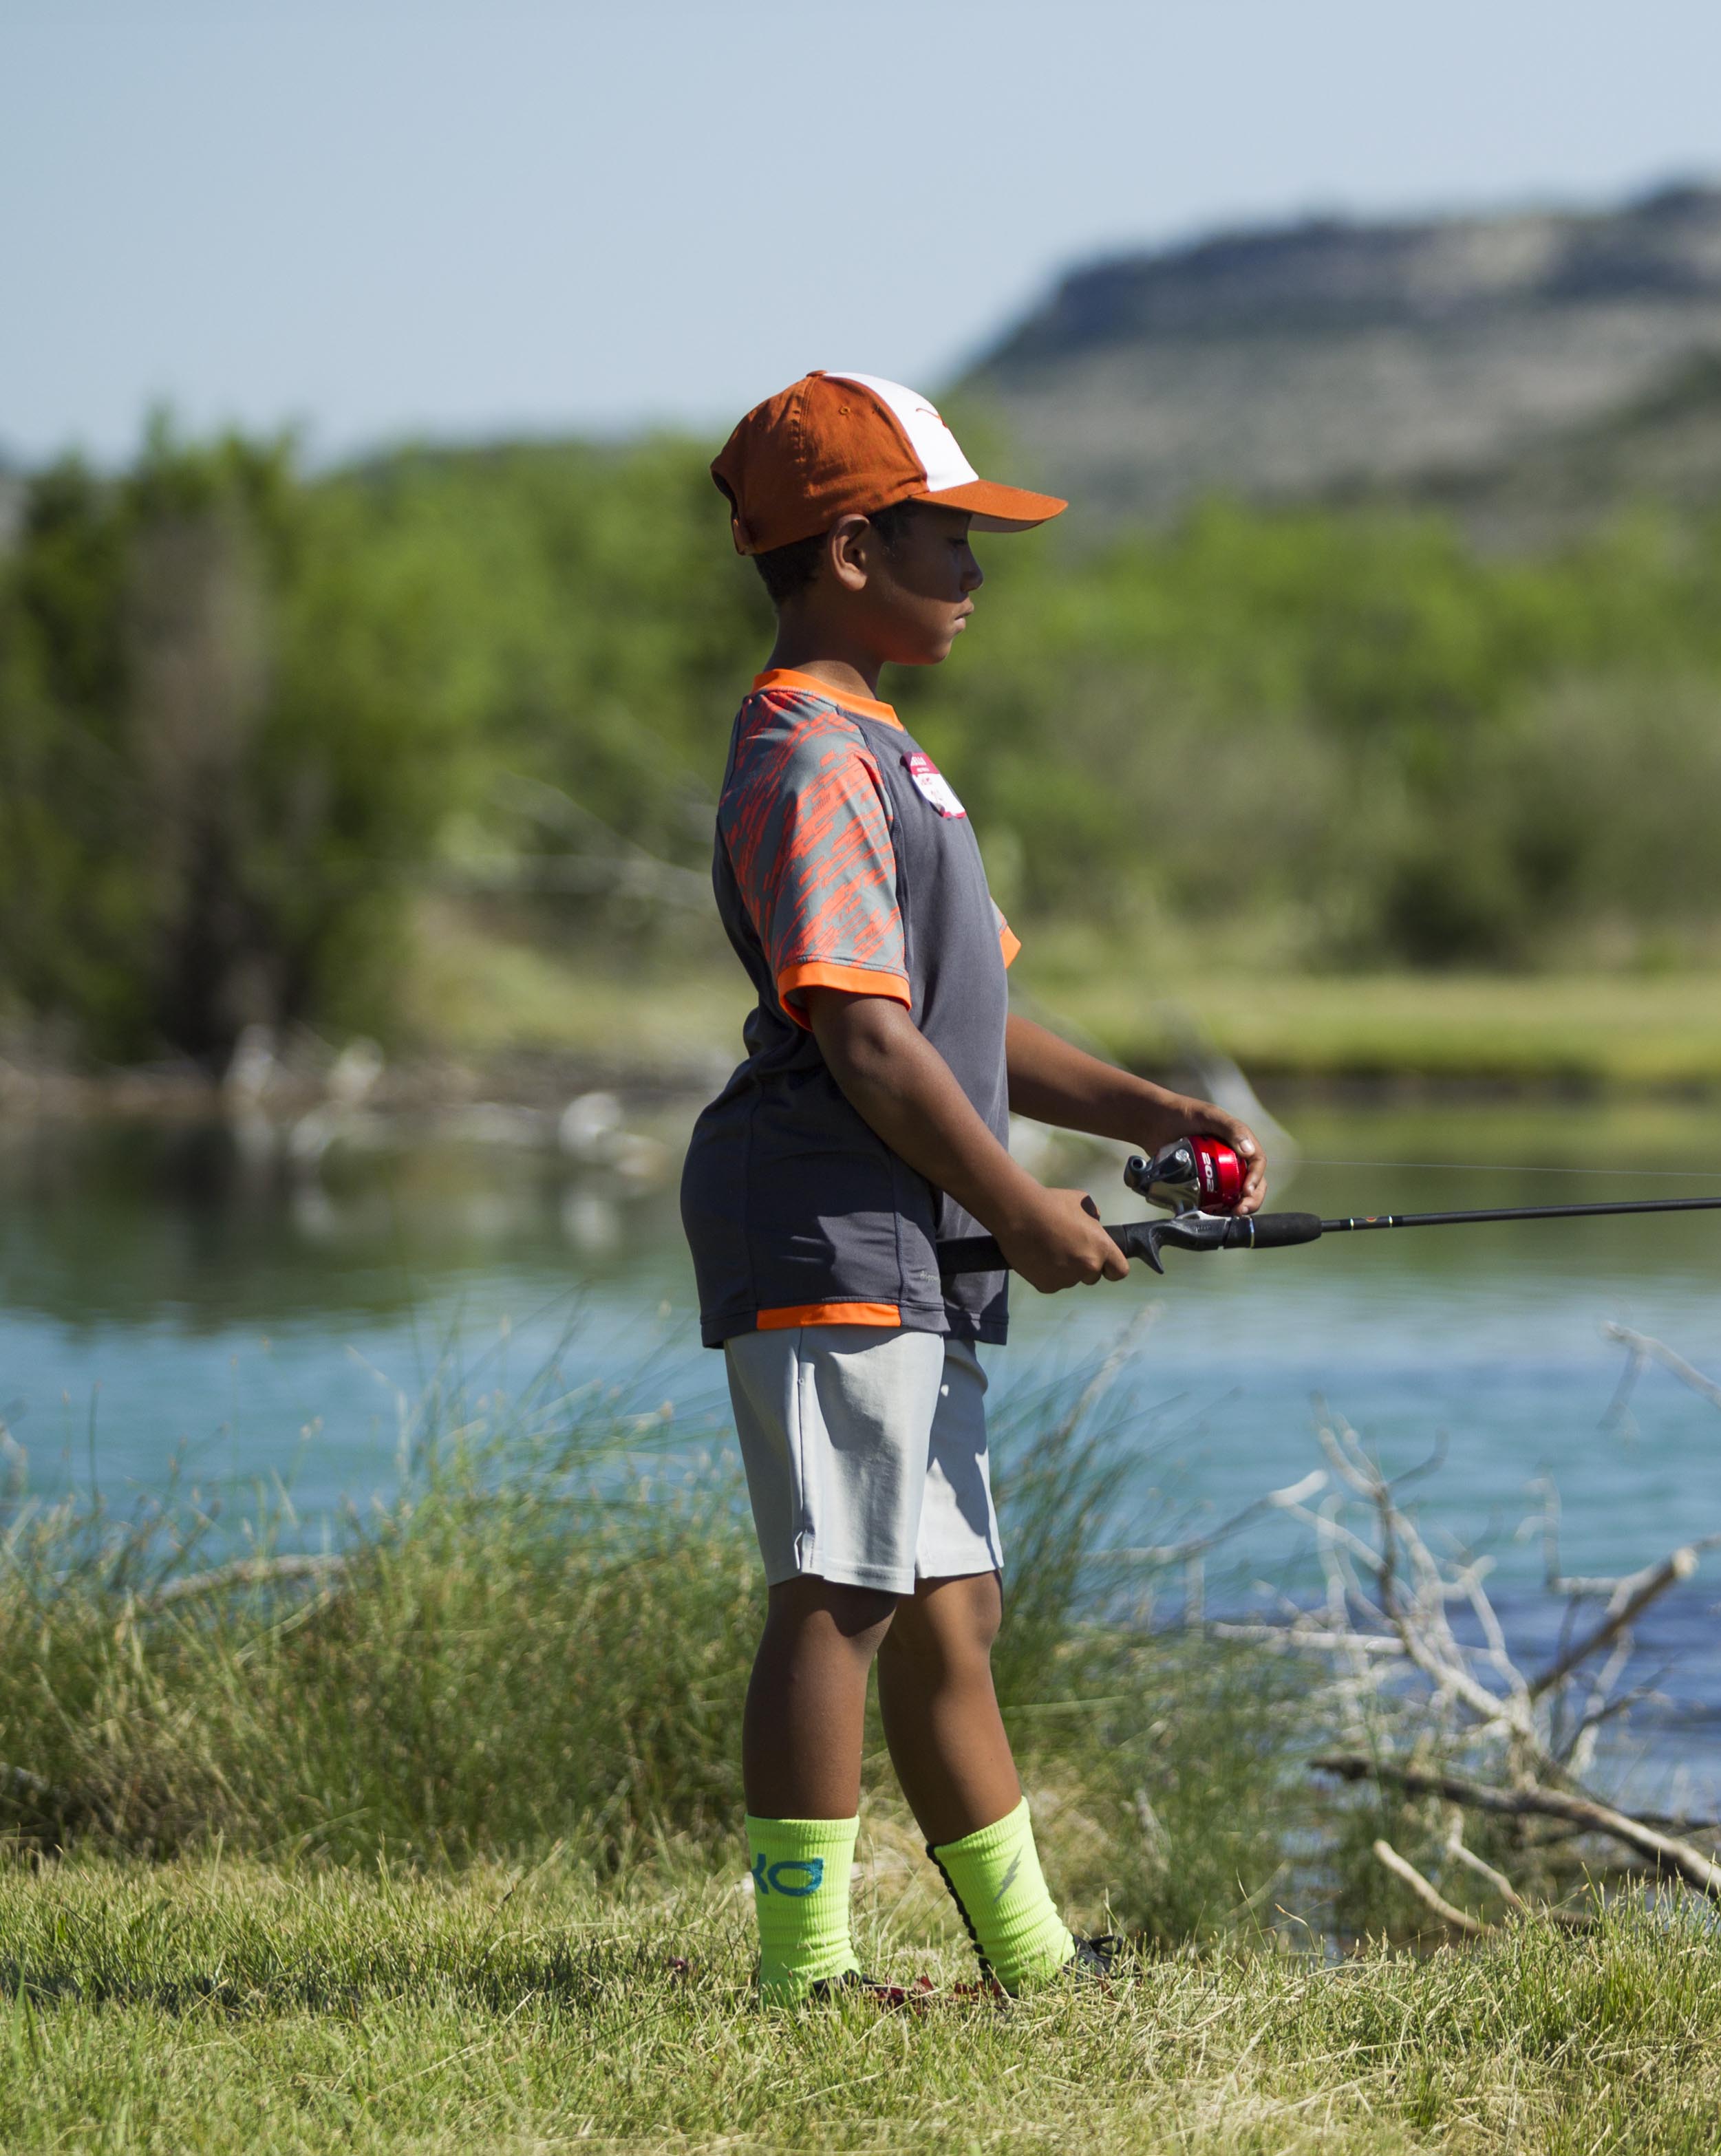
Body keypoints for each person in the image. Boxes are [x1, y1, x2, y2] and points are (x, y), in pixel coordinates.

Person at [685, 371, 1266, 2004]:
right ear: (853, 547)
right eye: (952, 538)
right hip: (824, 1209)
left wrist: (1152, 1106)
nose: (976, 570)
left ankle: (1033, 1961)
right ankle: (803, 1980)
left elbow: (970, 1023)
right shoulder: (807, 756)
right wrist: (1023, 1206)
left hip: (908, 1218)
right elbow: (868, 1043)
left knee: (957, 1609)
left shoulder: (888, 752)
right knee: (845, 1586)